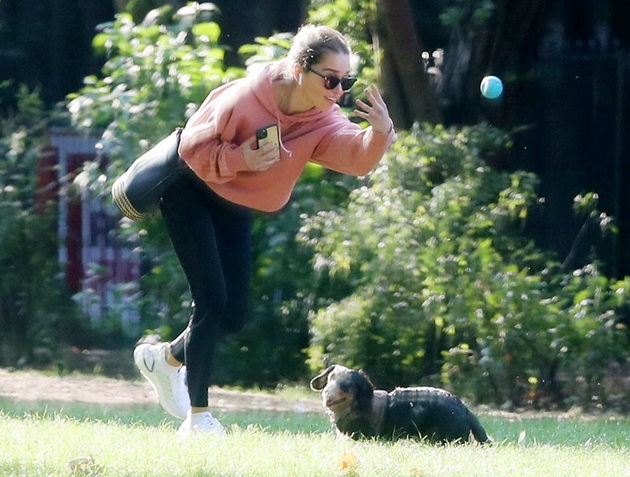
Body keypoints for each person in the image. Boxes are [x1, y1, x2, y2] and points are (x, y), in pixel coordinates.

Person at [133, 24, 395, 436]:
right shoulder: (244, 98)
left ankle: (164, 360)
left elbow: (355, 158)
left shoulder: (323, 118)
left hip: (237, 203)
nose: (339, 90)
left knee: (233, 316)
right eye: (330, 79)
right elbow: (192, 149)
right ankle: (198, 418)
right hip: (190, 191)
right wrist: (242, 159)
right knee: (211, 301)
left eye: (346, 81)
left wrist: (379, 133)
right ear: (298, 70)